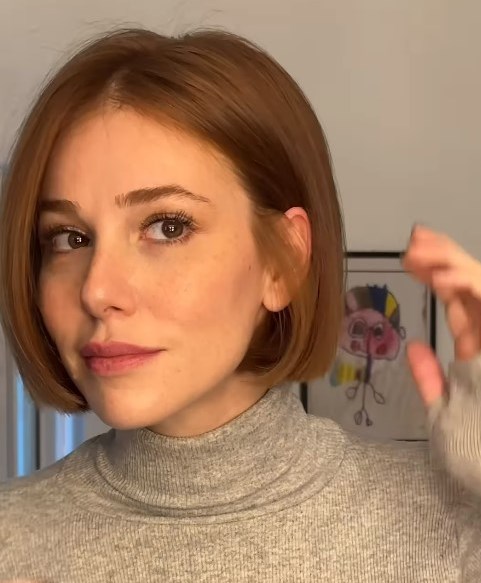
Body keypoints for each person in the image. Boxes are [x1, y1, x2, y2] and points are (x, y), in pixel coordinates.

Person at [0, 27, 480, 583]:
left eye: (168, 226)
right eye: (69, 238)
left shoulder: (448, 529)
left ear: (284, 262)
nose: (97, 291)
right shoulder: (12, 542)